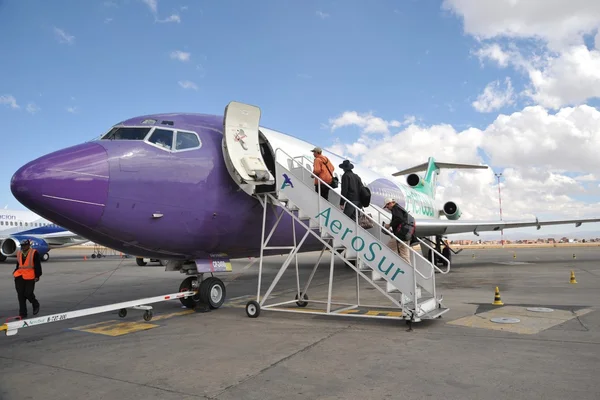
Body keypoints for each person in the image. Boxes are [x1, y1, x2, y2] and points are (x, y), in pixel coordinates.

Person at [13, 239, 41, 319]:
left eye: (25, 245)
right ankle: (22, 314)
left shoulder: (34, 253)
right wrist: (15, 272)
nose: (23, 247)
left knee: (28, 293)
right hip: (19, 276)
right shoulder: (19, 253)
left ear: (28, 245)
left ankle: (35, 303)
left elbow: (37, 265)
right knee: (20, 295)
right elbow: (18, 264)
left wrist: (37, 275)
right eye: (22, 246)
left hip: (30, 275)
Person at [382, 198, 414, 265]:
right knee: (403, 253)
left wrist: (389, 225)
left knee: (389, 249)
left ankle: (386, 265)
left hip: (401, 235)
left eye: (387, 206)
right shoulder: (399, 208)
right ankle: (407, 270)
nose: (387, 208)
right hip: (405, 234)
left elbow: (399, 219)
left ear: (390, 203)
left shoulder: (395, 208)